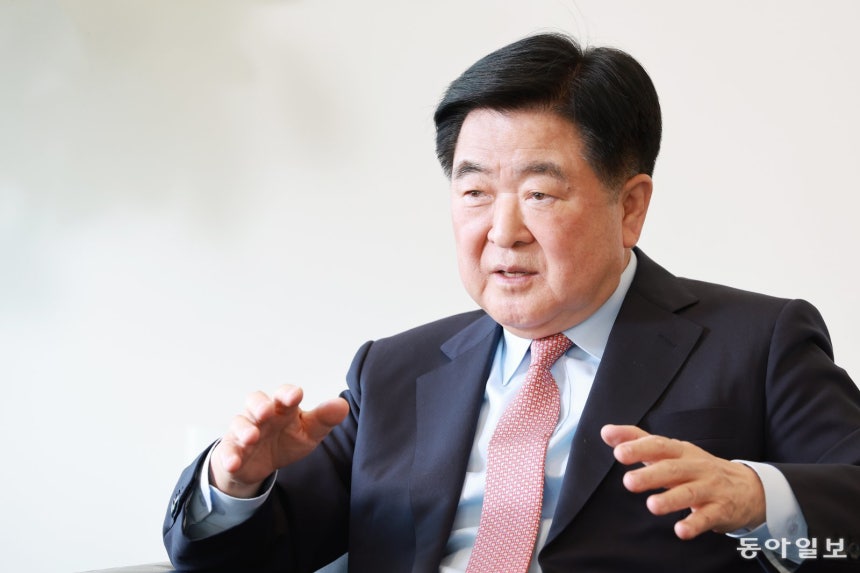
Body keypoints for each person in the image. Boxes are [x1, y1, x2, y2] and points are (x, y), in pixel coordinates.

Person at [163, 33, 860, 572]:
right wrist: (236, 482)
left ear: (630, 207)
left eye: (539, 193)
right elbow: (240, 557)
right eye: (474, 192)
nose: (502, 231)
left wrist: (754, 495)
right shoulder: (394, 371)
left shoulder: (757, 342)